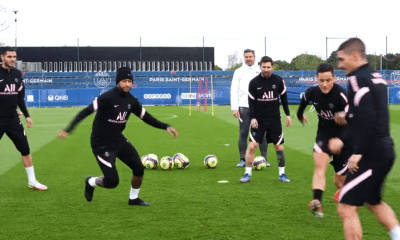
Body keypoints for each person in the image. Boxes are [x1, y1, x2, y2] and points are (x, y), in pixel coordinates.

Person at [57, 67, 178, 206]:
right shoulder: (107, 97)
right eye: (124, 81)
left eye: (129, 81)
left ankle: (133, 198)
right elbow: (86, 111)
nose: (127, 84)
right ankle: (91, 181)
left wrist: (166, 126)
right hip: (101, 144)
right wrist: (68, 129)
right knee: (112, 182)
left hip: (118, 140)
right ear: (118, 82)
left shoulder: (132, 101)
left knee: (138, 169)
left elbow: (147, 118)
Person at [329, 38, 400, 240]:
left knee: (345, 207)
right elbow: (369, 112)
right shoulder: (375, 76)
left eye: (342, 59)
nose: (340, 65)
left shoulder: (356, 79)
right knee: (372, 201)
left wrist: (357, 152)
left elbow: (367, 117)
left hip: (372, 153)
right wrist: (348, 117)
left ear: (355, 56)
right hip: (384, 149)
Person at [297, 62, 349, 218]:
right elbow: (303, 104)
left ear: (334, 78)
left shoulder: (341, 95)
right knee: (320, 167)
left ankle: (348, 191)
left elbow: (355, 122)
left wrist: (342, 134)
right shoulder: (312, 93)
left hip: (342, 140)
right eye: (321, 80)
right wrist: (301, 115)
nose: (325, 84)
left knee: (339, 182)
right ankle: (317, 202)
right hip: (323, 136)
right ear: (316, 79)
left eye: (328, 80)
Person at [0, 47, 47, 191]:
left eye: (14, 56)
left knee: (25, 150)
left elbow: (20, 99)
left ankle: (32, 181)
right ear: (2, 57)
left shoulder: (17, 74)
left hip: (13, 120)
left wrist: (27, 115)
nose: (12, 59)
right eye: (9, 56)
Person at [240, 56, 292, 183]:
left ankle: (282, 174)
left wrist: (288, 114)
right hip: (259, 120)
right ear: (260, 67)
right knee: (252, 146)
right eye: (264, 67)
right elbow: (251, 102)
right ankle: (247, 173)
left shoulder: (279, 81)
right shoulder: (254, 83)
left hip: (274, 120)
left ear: (272, 67)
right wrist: (253, 118)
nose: (266, 69)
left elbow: (284, 99)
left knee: (279, 147)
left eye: (268, 67)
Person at [230, 49, 269, 167]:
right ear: (244, 58)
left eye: (250, 56)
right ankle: (242, 159)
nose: (248, 58)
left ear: (254, 57)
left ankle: (264, 159)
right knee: (243, 132)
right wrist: (235, 108)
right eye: (246, 57)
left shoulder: (261, 71)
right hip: (244, 107)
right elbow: (234, 90)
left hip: (260, 107)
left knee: (261, 133)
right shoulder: (238, 72)